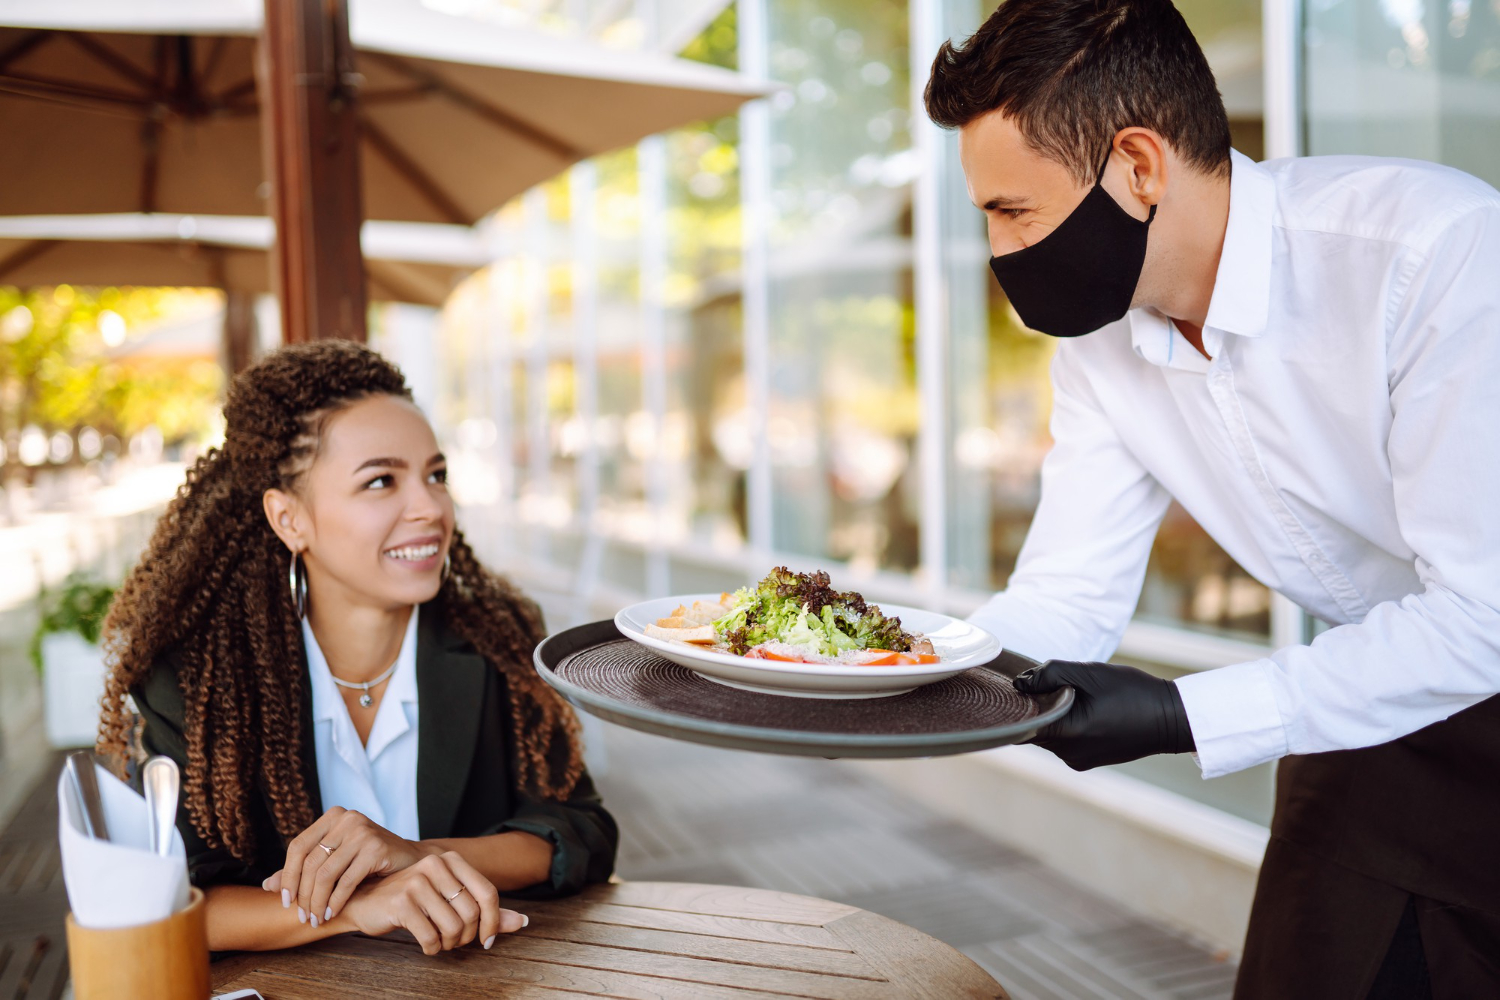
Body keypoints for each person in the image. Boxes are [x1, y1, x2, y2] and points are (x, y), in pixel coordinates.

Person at [924, 1, 1500, 996]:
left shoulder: (1433, 255)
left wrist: (1185, 713)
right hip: (1368, 709)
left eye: (1011, 209)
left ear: (1138, 165)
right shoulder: (1101, 346)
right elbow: (1066, 593)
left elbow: (1483, 615)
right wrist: (907, 680)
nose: (998, 246)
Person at [98, 340, 617, 955]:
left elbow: (579, 830)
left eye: (436, 475)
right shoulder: (201, 679)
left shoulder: (496, 636)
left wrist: (418, 856)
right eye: (380, 481)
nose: (430, 508)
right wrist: (359, 905)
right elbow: (171, 902)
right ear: (289, 518)